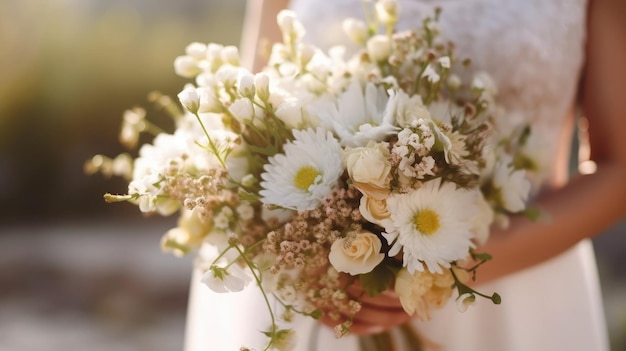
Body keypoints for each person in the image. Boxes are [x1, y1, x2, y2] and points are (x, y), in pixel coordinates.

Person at [185, 0, 626, 350]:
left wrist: (452, 268)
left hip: (514, 292)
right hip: (330, 297)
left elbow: (618, 169)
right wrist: (313, 267)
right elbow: (253, 116)